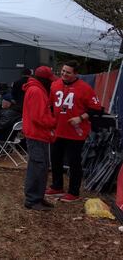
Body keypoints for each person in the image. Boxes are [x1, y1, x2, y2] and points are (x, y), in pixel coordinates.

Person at [45, 60, 102, 203]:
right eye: (63, 71)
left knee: (74, 162)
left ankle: (73, 192)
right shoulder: (55, 85)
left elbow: (96, 109)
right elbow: (51, 105)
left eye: (68, 72)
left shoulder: (85, 88)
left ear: (76, 74)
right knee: (55, 159)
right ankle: (57, 186)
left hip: (76, 133)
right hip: (58, 130)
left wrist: (80, 118)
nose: (64, 74)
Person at [22, 66, 57, 211]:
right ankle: (32, 200)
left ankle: (38, 197)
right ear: (44, 80)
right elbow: (39, 117)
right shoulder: (37, 91)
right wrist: (54, 122)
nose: (51, 83)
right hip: (37, 134)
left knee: (40, 166)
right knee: (38, 167)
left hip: (38, 134)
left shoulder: (36, 89)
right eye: (49, 80)